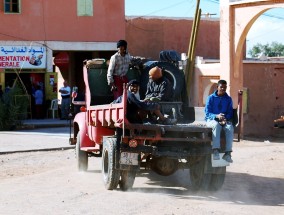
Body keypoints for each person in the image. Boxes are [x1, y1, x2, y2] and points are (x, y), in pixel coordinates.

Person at [205, 79, 234, 163]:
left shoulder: (228, 99)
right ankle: (216, 151)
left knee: (229, 127)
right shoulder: (210, 98)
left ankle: (228, 154)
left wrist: (225, 119)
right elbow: (207, 113)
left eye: (225, 87)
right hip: (211, 120)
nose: (223, 89)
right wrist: (216, 116)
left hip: (223, 120)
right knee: (216, 125)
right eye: (221, 87)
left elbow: (230, 112)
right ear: (217, 87)